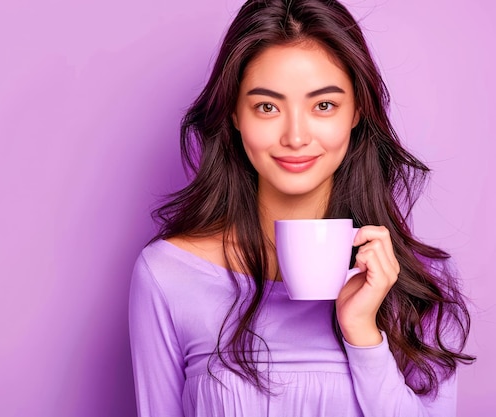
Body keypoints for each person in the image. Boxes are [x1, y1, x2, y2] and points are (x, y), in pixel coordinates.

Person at [128, 0, 475, 416]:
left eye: (323, 105)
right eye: (267, 106)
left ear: (357, 111)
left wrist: (363, 334)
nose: (295, 136)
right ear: (235, 114)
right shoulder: (169, 276)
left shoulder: (418, 282)